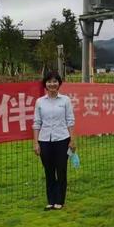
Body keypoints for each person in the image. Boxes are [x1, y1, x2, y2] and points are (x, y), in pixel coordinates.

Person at [33, 71, 75, 211]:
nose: (52, 84)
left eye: (55, 81)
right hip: (45, 140)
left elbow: (70, 120)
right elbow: (37, 123)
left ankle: (60, 201)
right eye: (49, 81)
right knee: (49, 171)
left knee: (61, 170)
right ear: (45, 84)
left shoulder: (65, 100)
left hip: (62, 139)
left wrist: (72, 140)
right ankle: (50, 200)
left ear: (59, 84)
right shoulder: (40, 102)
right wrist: (36, 142)